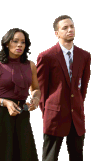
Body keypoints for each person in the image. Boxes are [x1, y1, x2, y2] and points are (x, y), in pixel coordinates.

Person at [0, 28, 41, 161]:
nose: (20, 45)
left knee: (24, 155)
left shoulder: (31, 65)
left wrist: (36, 98)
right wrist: (6, 102)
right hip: (1, 117)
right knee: (1, 156)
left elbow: (36, 88)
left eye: (23, 42)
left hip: (22, 115)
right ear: (7, 44)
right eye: (15, 41)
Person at [36, 15, 90, 161]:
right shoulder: (46, 57)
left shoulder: (84, 56)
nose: (70, 30)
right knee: (50, 157)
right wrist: (49, 110)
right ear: (57, 33)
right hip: (54, 116)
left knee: (77, 156)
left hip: (76, 117)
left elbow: (82, 88)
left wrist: (77, 104)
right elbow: (42, 91)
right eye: (65, 28)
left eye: (72, 26)